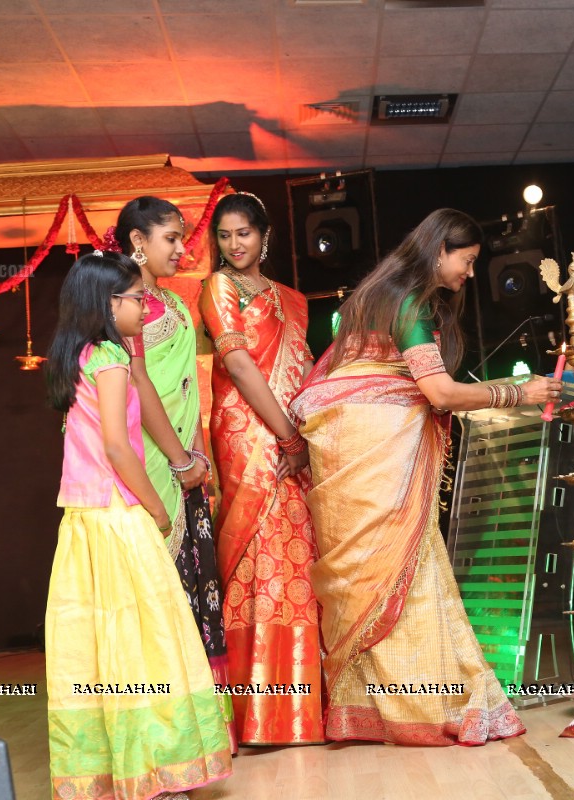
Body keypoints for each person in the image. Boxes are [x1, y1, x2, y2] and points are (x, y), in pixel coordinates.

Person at [289, 208, 561, 746]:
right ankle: (426, 703)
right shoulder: (410, 301)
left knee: (370, 571)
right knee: (403, 564)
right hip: (378, 438)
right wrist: (518, 393)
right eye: (468, 259)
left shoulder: (377, 292)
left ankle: (364, 708)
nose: (470, 271)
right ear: (441, 250)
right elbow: (438, 392)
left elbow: (337, 370)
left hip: (345, 440)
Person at [43, 252, 231, 800]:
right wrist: (156, 506)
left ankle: (111, 772)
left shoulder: (75, 355)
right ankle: (156, 768)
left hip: (81, 518)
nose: (143, 306)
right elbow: (119, 448)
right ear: (108, 303)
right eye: (135, 299)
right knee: (147, 638)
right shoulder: (109, 356)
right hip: (119, 516)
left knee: (100, 643)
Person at [199, 192, 323, 746]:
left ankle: (301, 710)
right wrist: (286, 434)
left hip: (293, 436)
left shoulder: (292, 300)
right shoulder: (217, 288)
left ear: (265, 235)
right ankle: (254, 714)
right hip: (248, 435)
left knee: (299, 554)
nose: (234, 244)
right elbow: (240, 364)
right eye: (224, 236)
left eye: (244, 233)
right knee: (260, 554)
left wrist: (304, 436)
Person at [114, 196, 235, 752]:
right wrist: (181, 461)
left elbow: (185, 384)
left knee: (196, 589)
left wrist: (195, 455)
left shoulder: (168, 300)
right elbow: (139, 387)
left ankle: (203, 733)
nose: (183, 250)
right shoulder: (127, 305)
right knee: (161, 596)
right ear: (138, 242)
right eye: (171, 239)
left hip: (185, 460)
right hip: (152, 464)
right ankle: (167, 739)